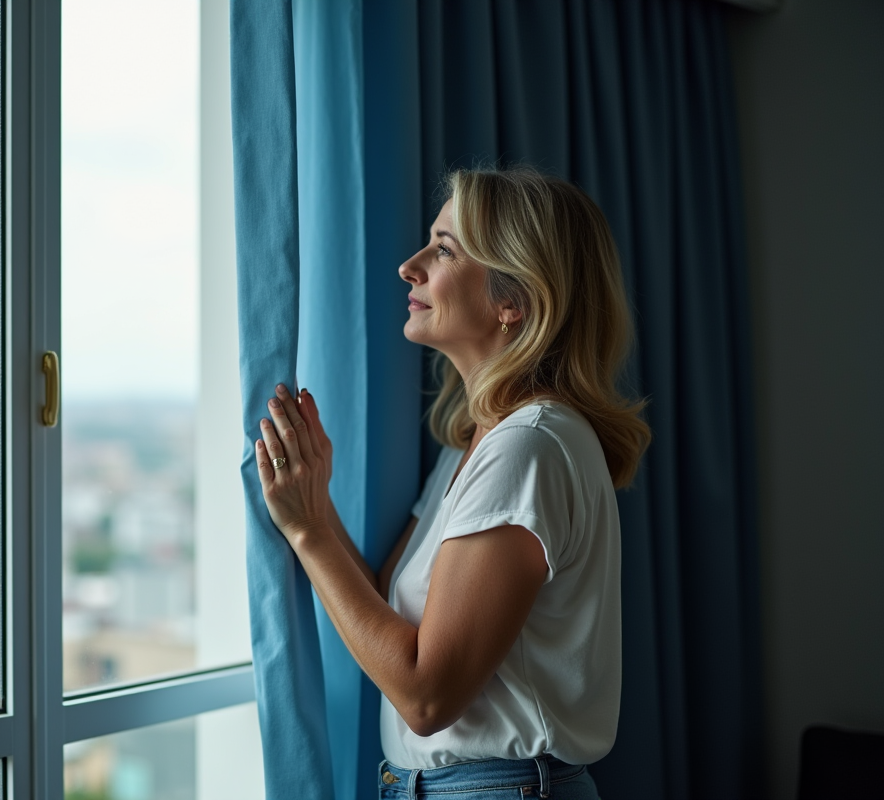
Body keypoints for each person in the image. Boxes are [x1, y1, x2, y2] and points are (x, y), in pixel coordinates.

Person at [253, 166, 652, 799]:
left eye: (444, 250)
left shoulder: (527, 449)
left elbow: (426, 694)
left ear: (512, 298)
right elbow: (393, 601)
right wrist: (317, 506)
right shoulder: (480, 444)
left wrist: (306, 533)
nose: (409, 267)